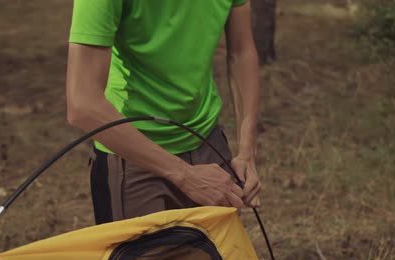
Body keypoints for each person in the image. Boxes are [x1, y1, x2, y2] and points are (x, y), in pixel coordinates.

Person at [66, 0, 262, 224]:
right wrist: (185, 175)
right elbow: (82, 103)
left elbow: (241, 51)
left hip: (207, 142)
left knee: (212, 258)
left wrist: (247, 152)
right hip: (133, 154)